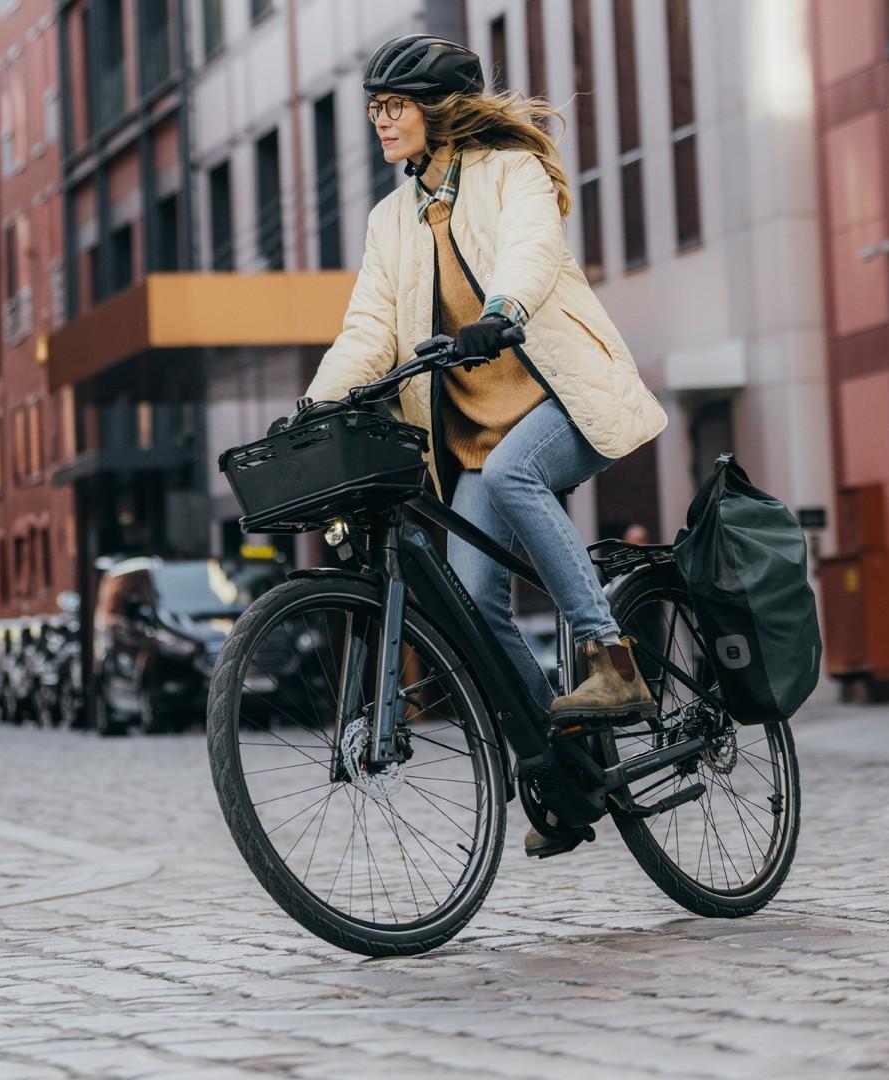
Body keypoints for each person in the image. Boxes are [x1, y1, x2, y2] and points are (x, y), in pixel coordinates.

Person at [301, 35, 668, 857]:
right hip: (471, 438)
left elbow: (532, 249)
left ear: (438, 109)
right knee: (471, 607)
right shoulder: (391, 219)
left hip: (560, 400)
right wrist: (315, 402)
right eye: (374, 108)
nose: (380, 121)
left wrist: (501, 308)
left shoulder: (511, 173)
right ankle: (562, 768)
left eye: (394, 106)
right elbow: (369, 327)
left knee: (515, 472)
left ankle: (611, 655)